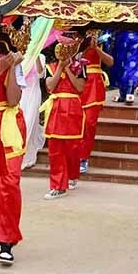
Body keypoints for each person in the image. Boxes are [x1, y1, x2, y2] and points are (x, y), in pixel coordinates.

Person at [0, 30, 26, 265]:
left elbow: (12, 99)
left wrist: (10, 68)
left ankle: (7, 240)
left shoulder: (15, 62)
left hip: (9, 123)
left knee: (9, 182)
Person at [43, 41, 86, 199]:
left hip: (73, 108)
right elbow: (50, 86)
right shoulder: (51, 67)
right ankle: (58, 186)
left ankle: (72, 175)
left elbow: (80, 87)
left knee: (72, 148)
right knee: (55, 149)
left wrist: (67, 68)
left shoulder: (80, 66)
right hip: (56, 109)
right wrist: (60, 67)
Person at [78, 30, 113, 173]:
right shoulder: (75, 40)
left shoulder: (103, 40)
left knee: (89, 123)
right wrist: (84, 46)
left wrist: (96, 48)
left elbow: (110, 62)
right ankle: (74, 155)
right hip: (78, 82)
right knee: (77, 122)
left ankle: (83, 157)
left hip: (94, 85)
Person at [20, 52, 47, 170]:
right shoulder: (18, 56)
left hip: (33, 93)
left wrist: (35, 56)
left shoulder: (41, 56)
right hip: (21, 94)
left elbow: (41, 75)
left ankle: (26, 157)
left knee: (29, 122)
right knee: (21, 124)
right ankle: (20, 154)